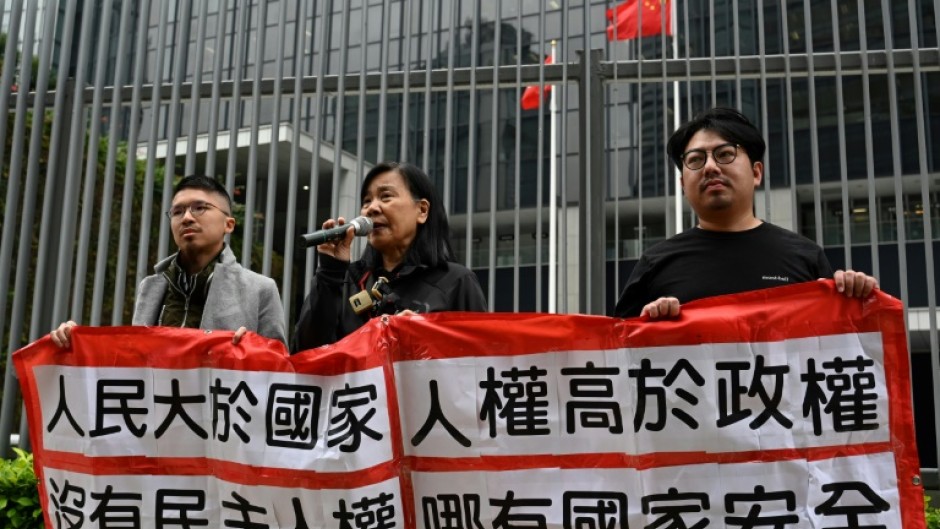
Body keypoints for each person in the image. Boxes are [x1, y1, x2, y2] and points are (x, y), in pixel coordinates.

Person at [614, 107, 877, 319]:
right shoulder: (655, 265)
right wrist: (648, 325)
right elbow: (619, 351)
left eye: (724, 154)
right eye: (695, 160)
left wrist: (854, 296)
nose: (710, 167)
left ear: (756, 173)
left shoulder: (804, 258)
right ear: (683, 184)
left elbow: (836, 341)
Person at [51, 175, 287, 346]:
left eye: (200, 208)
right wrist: (77, 341)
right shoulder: (151, 286)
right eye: (177, 211)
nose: (186, 218)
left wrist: (253, 349)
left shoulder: (260, 290)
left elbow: (279, 369)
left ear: (229, 224)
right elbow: (130, 357)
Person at [293, 162, 487, 353]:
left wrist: (425, 339)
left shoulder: (456, 282)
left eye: (386, 196)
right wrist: (329, 271)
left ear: (422, 210)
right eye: (366, 201)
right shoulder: (345, 280)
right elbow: (304, 354)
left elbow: (481, 359)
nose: (371, 208)